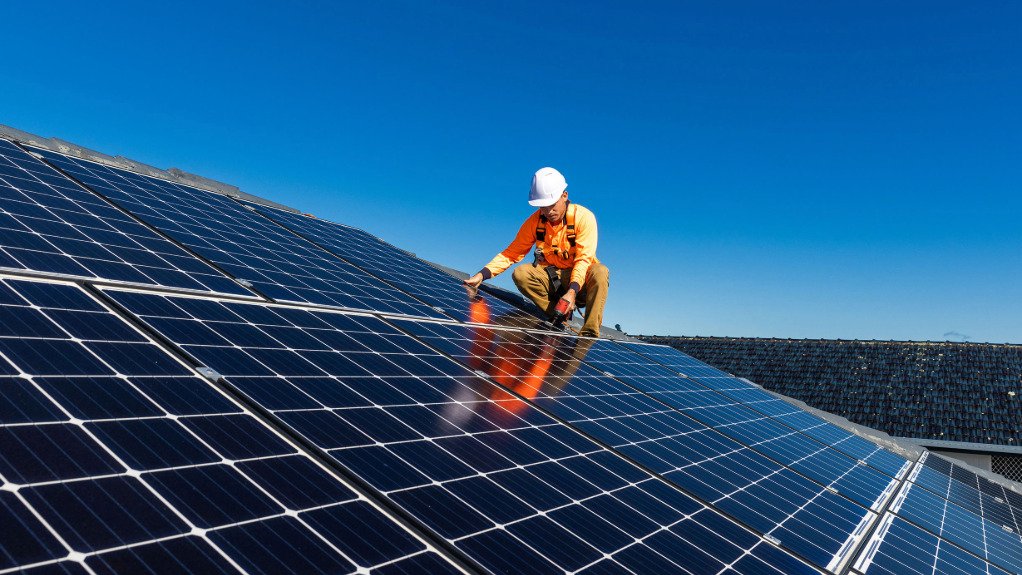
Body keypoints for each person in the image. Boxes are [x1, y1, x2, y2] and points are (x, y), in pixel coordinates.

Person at [464, 167, 609, 337]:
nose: (548, 212)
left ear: (564, 196)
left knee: (600, 272)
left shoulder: (583, 218)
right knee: (521, 273)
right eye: (543, 207)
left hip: (581, 283)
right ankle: (557, 315)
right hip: (552, 279)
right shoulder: (535, 222)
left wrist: (572, 291)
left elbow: (584, 259)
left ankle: (589, 334)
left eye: (552, 205)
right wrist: (482, 275)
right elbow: (512, 252)